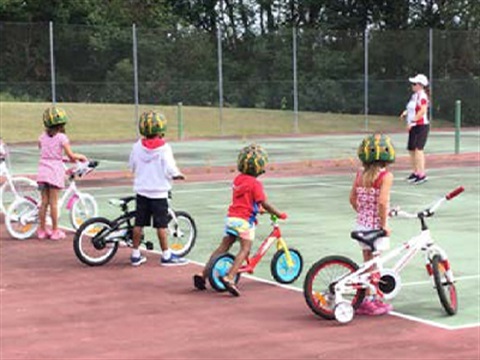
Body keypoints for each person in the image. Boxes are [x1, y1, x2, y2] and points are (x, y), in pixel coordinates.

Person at [192, 144, 287, 296]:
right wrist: (278, 213)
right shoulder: (256, 184)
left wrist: (257, 210)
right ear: (260, 168)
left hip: (231, 218)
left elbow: (246, 201)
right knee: (245, 249)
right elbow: (263, 202)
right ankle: (230, 277)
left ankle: (203, 274)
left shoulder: (238, 180)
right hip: (244, 222)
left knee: (223, 247)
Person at [128, 110, 188, 267]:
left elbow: (132, 165)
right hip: (159, 192)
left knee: (139, 223)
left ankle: (135, 254)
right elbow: (170, 168)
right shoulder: (164, 148)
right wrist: (177, 175)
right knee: (161, 225)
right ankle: (166, 255)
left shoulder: (136, 147)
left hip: (141, 191)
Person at [349, 133, 395, 315]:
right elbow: (382, 202)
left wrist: (363, 213)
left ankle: (366, 297)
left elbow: (352, 199)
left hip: (361, 226)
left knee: (367, 262)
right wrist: (384, 224)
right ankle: (370, 299)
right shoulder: (385, 176)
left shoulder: (360, 175)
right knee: (374, 265)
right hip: (375, 229)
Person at [37, 107, 87, 240]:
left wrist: (59, 157)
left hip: (42, 171)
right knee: (54, 203)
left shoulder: (42, 137)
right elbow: (71, 156)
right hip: (54, 172)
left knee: (44, 202)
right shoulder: (62, 138)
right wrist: (80, 156)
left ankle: (41, 230)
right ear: (61, 124)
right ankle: (55, 230)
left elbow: (45, 152)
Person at [400, 74, 430, 185]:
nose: (412, 85)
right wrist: (405, 113)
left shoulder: (423, 96)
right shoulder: (414, 96)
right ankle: (415, 172)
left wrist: (413, 121)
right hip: (413, 126)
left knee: (418, 149)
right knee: (411, 149)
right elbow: (411, 108)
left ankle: (422, 174)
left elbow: (422, 111)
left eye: (414, 84)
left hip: (421, 126)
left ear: (420, 85)